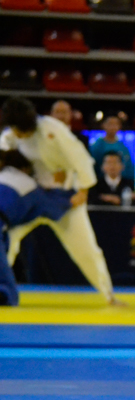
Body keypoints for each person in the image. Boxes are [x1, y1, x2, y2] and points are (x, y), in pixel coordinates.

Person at [0, 96, 120, 305]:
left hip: (66, 198)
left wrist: (83, 191)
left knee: (86, 250)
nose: (18, 135)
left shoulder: (53, 130)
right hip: (35, 197)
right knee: (9, 238)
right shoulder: (10, 136)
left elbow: (81, 159)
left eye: (21, 131)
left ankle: (108, 295)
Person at [0, 150, 77, 306]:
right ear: (25, 169)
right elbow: (52, 206)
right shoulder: (30, 186)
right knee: (8, 292)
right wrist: (72, 196)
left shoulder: (3, 176)